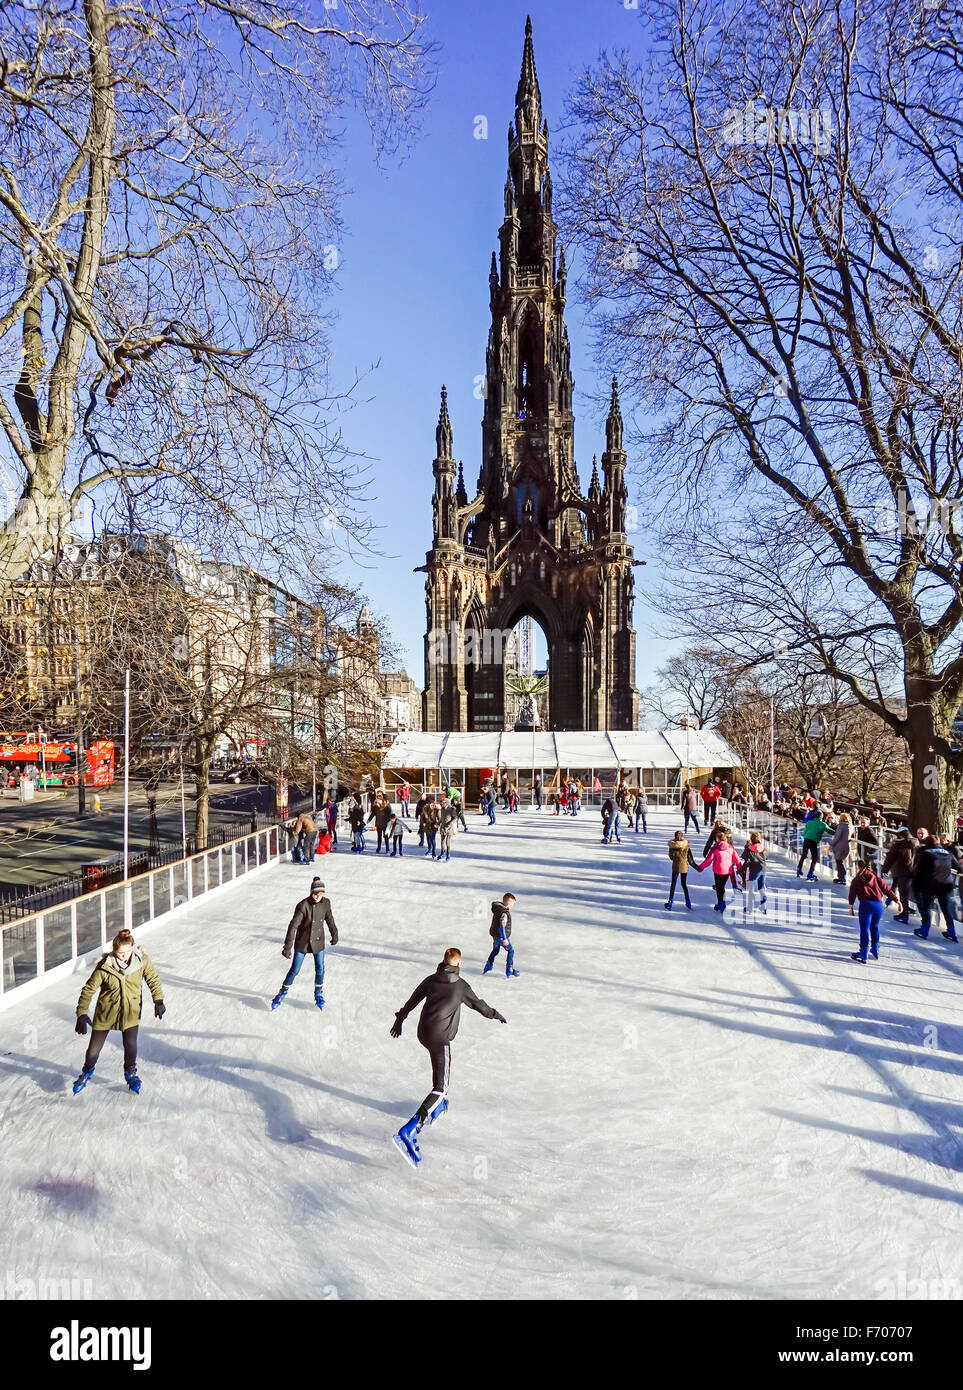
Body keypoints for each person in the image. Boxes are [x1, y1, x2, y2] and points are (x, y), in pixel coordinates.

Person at [389, 946, 506, 1167]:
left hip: (423, 1033)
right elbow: (479, 1005)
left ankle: (438, 1108)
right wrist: (495, 1014)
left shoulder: (431, 980)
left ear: (443, 961)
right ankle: (410, 1130)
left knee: (440, 1088)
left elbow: (412, 1001)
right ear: (459, 964)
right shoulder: (461, 986)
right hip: (440, 1039)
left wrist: (399, 1020)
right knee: (440, 1089)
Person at [73, 929, 165, 1095]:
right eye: (121, 953)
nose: (125, 956)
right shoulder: (105, 966)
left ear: (132, 948)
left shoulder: (141, 961)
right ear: (114, 950)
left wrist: (158, 1000)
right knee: (94, 1049)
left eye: (128, 951)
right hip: (106, 1013)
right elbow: (88, 990)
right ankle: (87, 1071)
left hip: (131, 1012)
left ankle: (130, 1072)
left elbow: (153, 979)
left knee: (130, 1045)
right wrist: (81, 1013)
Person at [273, 877, 339, 1010]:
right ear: (311, 892)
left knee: (320, 968)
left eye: (320, 894)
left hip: (318, 941)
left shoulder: (326, 903)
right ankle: (282, 992)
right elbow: (293, 926)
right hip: (303, 942)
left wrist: (334, 933)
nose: (317, 897)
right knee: (295, 970)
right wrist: (287, 947)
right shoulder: (303, 905)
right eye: (315, 894)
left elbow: (329, 918)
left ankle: (318, 993)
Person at [848, 858, 902, 963]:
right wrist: (898, 901)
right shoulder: (877, 878)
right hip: (878, 905)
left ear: (858, 867)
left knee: (864, 928)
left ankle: (863, 953)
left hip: (866, 905)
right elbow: (887, 890)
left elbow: (852, 894)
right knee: (874, 927)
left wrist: (850, 907)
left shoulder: (857, 879)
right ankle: (875, 948)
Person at [912, 834, 961, 943]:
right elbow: (958, 867)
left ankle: (924, 930)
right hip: (946, 885)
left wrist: (916, 885)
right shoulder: (948, 853)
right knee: (946, 908)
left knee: (926, 907)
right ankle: (952, 932)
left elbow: (920, 871)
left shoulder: (925, 854)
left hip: (929, 885)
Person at [881, 828, 918, 925]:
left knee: (903, 894)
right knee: (915, 894)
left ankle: (904, 915)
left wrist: (885, 869)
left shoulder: (898, 844)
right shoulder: (916, 842)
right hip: (914, 872)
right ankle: (923, 918)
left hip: (902, 871)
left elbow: (891, 857)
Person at [699, 832, 742, 912]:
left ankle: (721, 904)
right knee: (721, 887)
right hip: (727, 871)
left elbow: (709, 860)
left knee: (719, 888)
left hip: (718, 871)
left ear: (718, 839)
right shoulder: (730, 847)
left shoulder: (715, 848)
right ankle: (721, 903)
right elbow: (737, 860)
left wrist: (701, 867)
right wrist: (740, 869)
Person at [483, 892, 519, 976]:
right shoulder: (504, 913)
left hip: (495, 935)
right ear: (508, 904)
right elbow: (502, 926)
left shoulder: (498, 909)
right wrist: (504, 938)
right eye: (512, 905)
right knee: (511, 951)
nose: (511, 907)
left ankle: (489, 964)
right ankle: (509, 969)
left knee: (496, 950)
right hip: (501, 937)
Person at [796, 810, 832, 880]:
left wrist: (807, 836)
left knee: (804, 855)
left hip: (807, 839)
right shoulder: (823, 824)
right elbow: (831, 831)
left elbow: (805, 831)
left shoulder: (809, 822)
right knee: (814, 858)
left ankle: (799, 869)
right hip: (813, 841)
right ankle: (810, 873)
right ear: (821, 816)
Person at [665, 831, 697, 910]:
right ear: (682, 837)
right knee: (684, 884)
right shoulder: (686, 845)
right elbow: (690, 859)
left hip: (675, 866)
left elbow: (671, 857)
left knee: (673, 884)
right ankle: (688, 902)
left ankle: (670, 902)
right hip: (684, 867)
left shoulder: (672, 845)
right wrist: (697, 868)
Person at [740, 832, 768, 917]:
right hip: (763, 869)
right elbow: (766, 857)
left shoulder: (749, 849)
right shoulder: (763, 847)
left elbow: (745, 858)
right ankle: (763, 907)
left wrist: (741, 870)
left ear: (751, 839)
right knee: (761, 888)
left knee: (751, 890)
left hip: (754, 870)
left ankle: (749, 908)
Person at [830, 813, 853, 885]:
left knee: (839, 862)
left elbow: (838, 837)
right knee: (841, 862)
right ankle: (842, 877)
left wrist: (832, 843)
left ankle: (842, 877)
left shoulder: (841, 826)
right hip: (847, 845)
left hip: (840, 846)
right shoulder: (851, 826)